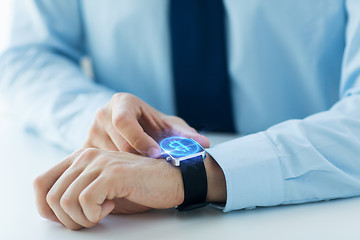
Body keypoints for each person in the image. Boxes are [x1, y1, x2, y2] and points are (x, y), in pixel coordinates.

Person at [1, 0, 360, 231]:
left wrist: (192, 177)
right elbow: (30, 53)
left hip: (315, 212)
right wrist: (104, 125)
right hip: (135, 212)